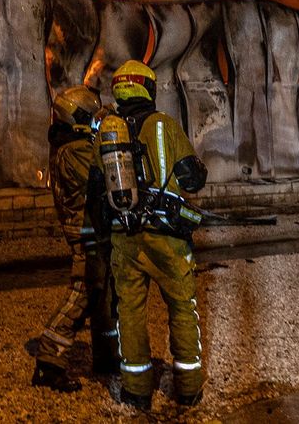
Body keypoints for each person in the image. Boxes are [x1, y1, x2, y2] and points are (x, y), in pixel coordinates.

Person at [98, 60, 208, 409]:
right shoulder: (163, 125)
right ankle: (188, 388)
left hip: (124, 237)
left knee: (129, 310)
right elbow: (193, 178)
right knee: (181, 307)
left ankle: (136, 391)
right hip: (167, 239)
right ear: (146, 87)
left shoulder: (107, 131)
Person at [30, 85, 118, 392]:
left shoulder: (67, 144)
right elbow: (102, 179)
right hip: (87, 232)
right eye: (90, 116)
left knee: (102, 295)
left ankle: (108, 358)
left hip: (88, 228)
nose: (94, 121)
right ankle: (49, 362)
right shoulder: (76, 150)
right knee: (82, 294)